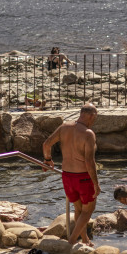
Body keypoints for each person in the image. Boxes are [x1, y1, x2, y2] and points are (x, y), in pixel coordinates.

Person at [42, 103, 101, 246]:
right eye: (95, 118)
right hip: (83, 177)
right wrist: (96, 183)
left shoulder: (64, 127)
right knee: (88, 210)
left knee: (78, 209)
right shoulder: (88, 134)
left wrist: (48, 160)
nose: (94, 121)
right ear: (91, 116)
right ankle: (72, 241)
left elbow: (46, 144)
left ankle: (85, 240)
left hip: (67, 176)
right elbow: (89, 162)